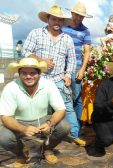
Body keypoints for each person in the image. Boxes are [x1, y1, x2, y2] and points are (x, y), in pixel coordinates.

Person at [21, 5, 78, 145]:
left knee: (67, 107)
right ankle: (43, 138)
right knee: (42, 110)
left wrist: (68, 75)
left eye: (60, 20)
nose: (57, 22)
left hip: (59, 78)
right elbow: (25, 52)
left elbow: (72, 59)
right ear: (48, 19)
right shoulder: (35, 33)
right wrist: (41, 60)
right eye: (54, 19)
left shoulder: (67, 39)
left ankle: (75, 135)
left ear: (63, 22)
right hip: (40, 79)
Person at [0, 58, 70, 168]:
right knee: (3, 137)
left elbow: (61, 109)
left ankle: (47, 149)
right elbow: (5, 117)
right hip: (19, 122)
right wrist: (23, 129)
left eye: (32, 73)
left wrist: (50, 123)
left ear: (39, 73)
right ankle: (21, 153)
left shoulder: (48, 85)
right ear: (19, 74)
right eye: (24, 73)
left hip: (42, 119)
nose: (28, 76)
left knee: (64, 126)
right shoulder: (11, 88)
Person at [62, 1, 92, 146]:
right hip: (61, 65)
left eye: (82, 16)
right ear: (72, 13)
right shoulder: (62, 26)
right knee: (59, 97)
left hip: (77, 66)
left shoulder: (85, 31)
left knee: (77, 97)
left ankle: (77, 130)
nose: (79, 18)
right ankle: (61, 128)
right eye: (78, 15)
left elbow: (87, 51)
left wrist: (82, 69)